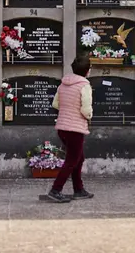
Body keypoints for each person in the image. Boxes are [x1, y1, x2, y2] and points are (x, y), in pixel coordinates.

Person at [46, 56, 94, 203]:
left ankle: (78, 189)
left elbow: (55, 104)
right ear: (87, 71)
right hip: (75, 128)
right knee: (72, 160)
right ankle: (56, 190)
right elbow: (86, 110)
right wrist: (90, 115)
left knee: (79, 158)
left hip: (62, 127)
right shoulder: (84, 86)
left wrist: (68, 109)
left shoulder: (63, 84)